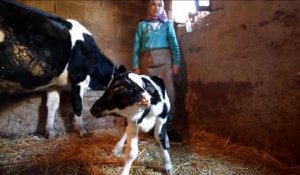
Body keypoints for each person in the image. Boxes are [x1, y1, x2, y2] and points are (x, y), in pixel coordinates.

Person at [132, 0, 180, 116]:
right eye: (153, 4)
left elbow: (174, 45)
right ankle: (148, 123)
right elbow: (136, 46)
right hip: (146, 62)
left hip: (165, 63)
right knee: (146, 94)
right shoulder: (142, 25)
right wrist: (136, 66)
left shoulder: (167, 24)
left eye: (159, 5)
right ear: (149, 7)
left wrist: (176, 63)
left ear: (162, 8)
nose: (156, 8)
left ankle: (167, 124)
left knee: (168, 92)